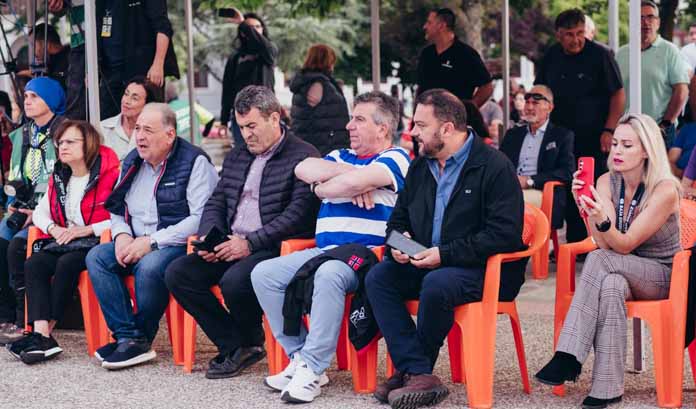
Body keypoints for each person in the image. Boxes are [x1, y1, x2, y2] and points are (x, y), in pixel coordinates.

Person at [365, 89, 527, 409]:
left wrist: (445, 255)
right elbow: (395, 222)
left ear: (447, 128)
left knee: (437, 282)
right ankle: (418, 371)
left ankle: (413, 371)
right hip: (428, 263)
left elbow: (504, 235)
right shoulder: (419, 167)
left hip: (484, 270)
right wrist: (399, 245)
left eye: (421, 125)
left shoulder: (494, 166)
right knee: (379, 276)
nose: (413, 132)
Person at [251, 91, 410, 403]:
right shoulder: (340, 155)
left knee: (329, 274)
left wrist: (329, 186)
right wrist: (353, 179)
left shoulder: (397, 158)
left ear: (382, 128)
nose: (349, 126)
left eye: (359, 119)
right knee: (263, 274)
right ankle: (300, 356)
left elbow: (337, 185)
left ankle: (313, 368)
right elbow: (303, 169)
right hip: (323, 252)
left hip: (367, 256)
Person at [164, 86, 319, 379]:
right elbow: (217, 201)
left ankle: (249, 340)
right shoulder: (238, 155)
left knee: (234, 281)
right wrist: (210, 237)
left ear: (274, 118)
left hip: (273, 246)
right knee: (178, 273)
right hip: (232, 241)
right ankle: (235, 344)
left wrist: (249, 243)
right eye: (241, 126)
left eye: (252, 126)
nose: (246, 134)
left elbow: (298, 214)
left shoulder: (303, 155)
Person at [535, 113, 680, 409]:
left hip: (662, 274)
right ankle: (606, 386)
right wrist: (587, 208)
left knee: (601, 261)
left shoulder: (665, 189)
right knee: (611, 284)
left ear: (646, 151)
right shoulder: (606, 181)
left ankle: (568, 355)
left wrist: (602, 220)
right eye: (615, 144)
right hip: (619, 267)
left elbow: (624, 244)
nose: (617, 151)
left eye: (627, 145)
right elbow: (604, 241)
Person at [85, 103, 218, 370]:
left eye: (148, 130)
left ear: (170, 135)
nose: (140, 136)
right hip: (134, 238)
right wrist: (122, 235)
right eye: (137, 129)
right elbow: (117, 207)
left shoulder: (194, 162)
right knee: (97, 257)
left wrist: (152, 242)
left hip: (173, 243)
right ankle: (128, 336)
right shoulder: (133, 160)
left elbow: (200, 217)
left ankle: (141, 337)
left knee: (149, 266)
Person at [5, 121, 119, 363]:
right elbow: (40, 212)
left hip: (97, 242)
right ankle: (40, 333)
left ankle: (45, 334)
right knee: (35, 263)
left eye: (70, 142)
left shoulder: (111, 174)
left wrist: (85, 230)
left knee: (67, 263)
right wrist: (53, 228)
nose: (62, 147)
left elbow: (122, 217)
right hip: (65, 239)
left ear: (88, 144)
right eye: (60, 143)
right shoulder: (60, 175)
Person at [535, 8, 625, 244]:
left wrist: (609, 130)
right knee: (567, 188)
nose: (576, 40)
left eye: (580, 33)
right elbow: (540, 91)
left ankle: (600, 242)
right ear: (558, 35)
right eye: (569, 34)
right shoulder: (550, 57)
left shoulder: (600, 55)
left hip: (595, 136)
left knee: (594, 189)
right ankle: (576, 244)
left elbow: (618, 94)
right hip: (560, 138)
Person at [0, 77, 66, 344]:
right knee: (1, 240)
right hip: (25, 208)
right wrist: (14, 204)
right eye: (26, 96)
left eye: (34, 96)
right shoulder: (22, 134)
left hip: (54, 213)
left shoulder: (66, 132)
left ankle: (22, 319)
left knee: (17, 247)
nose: (27, 101)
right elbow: (17, 177)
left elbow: (68, 182)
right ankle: (4, 316)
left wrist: (38, 212)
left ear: (51, 100)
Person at [616, 0, 690, 148]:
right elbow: (615, 93)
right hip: (627, 130)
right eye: (640, 18)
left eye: (650, 17)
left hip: (658, 130)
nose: (645, 22)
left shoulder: (670, 51)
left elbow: (681, 91)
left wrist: (665, 124)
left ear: (658, 22)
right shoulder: (621, 54)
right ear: (632, 22)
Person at [499, 85, 575, 218]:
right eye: (527, 102)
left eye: (535, 103)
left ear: (549, 107)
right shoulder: (513, 134)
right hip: (510, 188)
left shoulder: (561, 135)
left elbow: (567, 172)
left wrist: (530, 181)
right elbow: (499, 164)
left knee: (509, 202)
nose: (529, 107)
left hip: (541, 191)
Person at [96, 0, 180, 119]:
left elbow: (163, 27)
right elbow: (96, 28)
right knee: (107, 120)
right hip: (110, 71)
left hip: (142, 70)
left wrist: (158, 64)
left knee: (148, 119)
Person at [219, 11, 278, 149]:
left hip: (264, 114)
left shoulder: (268, 52)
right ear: (243, 32)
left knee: (267, 153)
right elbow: (227, 89)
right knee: (244, 154)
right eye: (250, 28)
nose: (254, 31)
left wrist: (243, 23)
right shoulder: (236, 57)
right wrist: (223, 120)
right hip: (242, 116)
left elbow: (266, 48)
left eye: (258, 27)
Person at [416, 8, 493, 107]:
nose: (425, 26)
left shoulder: (466, 54)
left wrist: (469, 109)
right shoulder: (426, 54)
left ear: (441, 25)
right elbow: (420, 89)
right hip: (427, 114)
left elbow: (487, 87)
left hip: (455, 116)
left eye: (429, 23)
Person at [289, 44, 350, 156]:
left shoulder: (307, 81)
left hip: (315, 143)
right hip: (323, 146)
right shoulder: (317, 83)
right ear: (327, 60)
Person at [101, 77, 160, 160]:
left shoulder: (155, 133)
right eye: (126, 94)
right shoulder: (102, 128)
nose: (126, 101)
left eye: (134, 98)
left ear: (147, 105)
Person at [18, 23, 70, 91]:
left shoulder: (69, 59)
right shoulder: (52, 61)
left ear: (46, 43)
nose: (33, 51)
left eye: (34, 45)